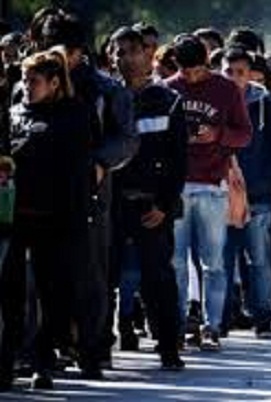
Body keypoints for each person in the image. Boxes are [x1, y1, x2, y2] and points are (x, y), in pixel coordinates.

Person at [39, 12, 138, 374]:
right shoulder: (32, 83)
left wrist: (99, 162)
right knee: (45, 275)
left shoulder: (105, 90)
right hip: (40, 194)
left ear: (79, 51)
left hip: (90, 193)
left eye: (63, 50)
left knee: (91, 274)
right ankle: (49, 347)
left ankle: (92, 349)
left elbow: (127, 139)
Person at [0, 48, 92, 390]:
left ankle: (44, 361)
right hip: (14, 217)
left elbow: (77, 170)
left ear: (54, 83)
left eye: (34, 81)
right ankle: (6, 362)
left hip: (56, 218)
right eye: (24, 80)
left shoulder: (74, 115)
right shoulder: (13, 113)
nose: (27, 86)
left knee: (52, 295)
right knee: (10, 295)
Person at [166, 35, 252, 351]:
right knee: (175, 263)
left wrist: (218, 134)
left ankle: (212, 326)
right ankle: (176, 327)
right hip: (176, 187)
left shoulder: (226, 89)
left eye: (198, 70)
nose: (191, 77)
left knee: (213, 263)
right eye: (185, 71)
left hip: (213, 185)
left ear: (207, 62)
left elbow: (245, 134)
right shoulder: (167, 89)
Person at [109, 27, 187, 369]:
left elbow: (178, 161)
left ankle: (168, 346)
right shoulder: (104, 98)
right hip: (110, 205)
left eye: (131, 51)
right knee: (105, 276)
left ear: (147, 54)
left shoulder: (168, 101)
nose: (124, 58)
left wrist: (164, 206)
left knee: (158, 278)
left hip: (151, 206)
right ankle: (98, 348)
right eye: (118, 52)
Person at [221, 47, 271, 339]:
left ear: (250, 74)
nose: (234, 77)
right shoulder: (215, 100)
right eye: (228, 71)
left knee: (259, 259)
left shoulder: (264, 102)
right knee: (222, 260)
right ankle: (221, 318)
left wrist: (265, 181)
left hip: (258, 196)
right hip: (221, 194)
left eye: (240, 72)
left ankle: (263, 318)